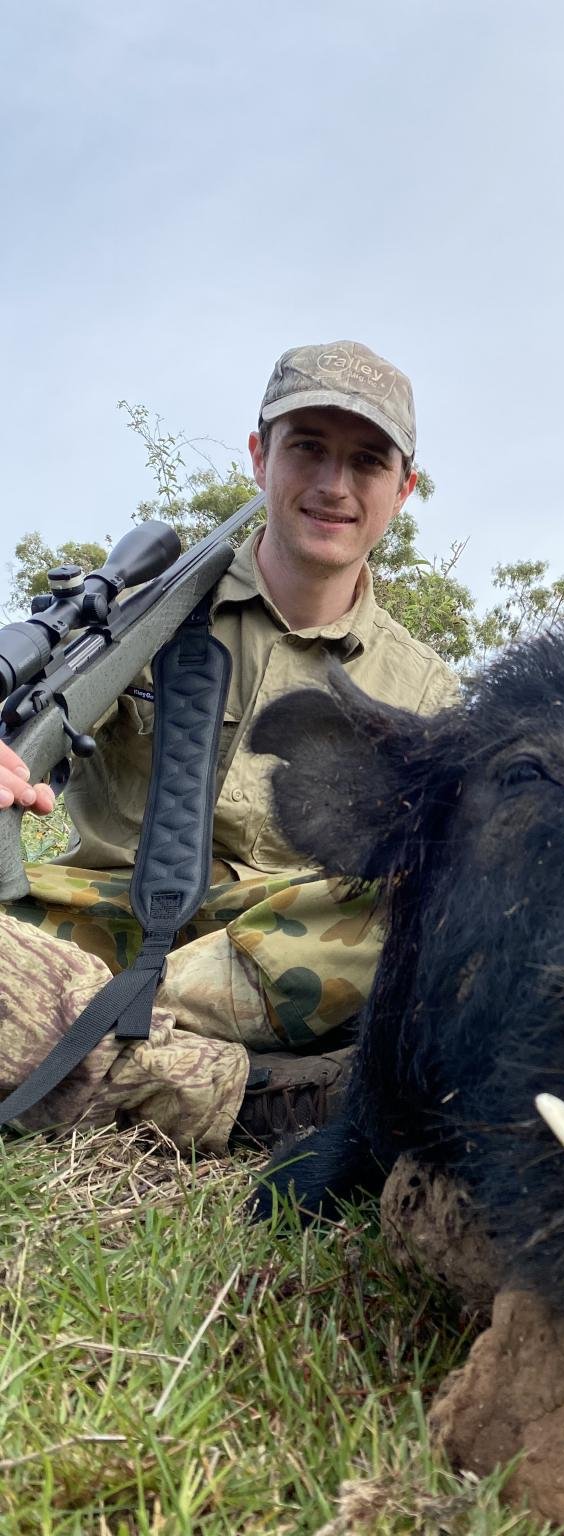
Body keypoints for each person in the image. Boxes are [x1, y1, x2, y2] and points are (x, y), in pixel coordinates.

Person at [0, 342, 458, 1152]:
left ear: (403, 489)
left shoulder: (428, 693)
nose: (333, 485)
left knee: (431, 898)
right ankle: (246, 1092)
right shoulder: (133, 617)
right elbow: (36, 732)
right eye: (307, 447)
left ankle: (71, 1032)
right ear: (259, 456)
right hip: (102, 923)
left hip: (282, 959)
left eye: (367, 462)